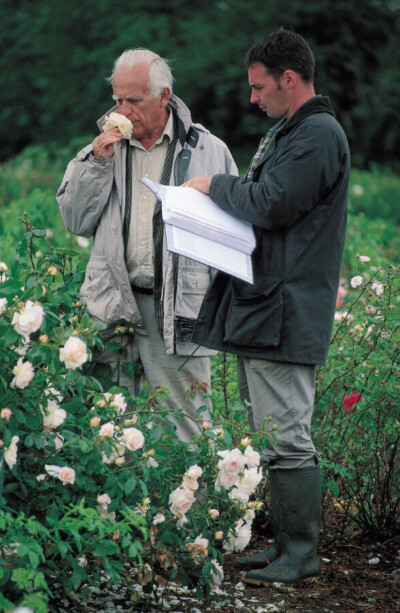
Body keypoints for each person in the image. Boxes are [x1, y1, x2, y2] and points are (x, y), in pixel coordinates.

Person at [182, 29, 350, 586]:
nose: (253, 99)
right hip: (268, 306)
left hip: (288, 309)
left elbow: (273, 203)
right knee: (272, 433)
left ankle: (301, 553)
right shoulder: (291, 131)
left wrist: (214, 187)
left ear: (289, 79)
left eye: (260, 88)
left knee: (288, 436)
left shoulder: (318, 135)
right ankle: (285, 547)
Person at [57, 49, 238, 442]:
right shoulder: (101, 150)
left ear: (163, 96)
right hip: (113, 304)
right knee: (109, 424)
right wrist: (96, 165)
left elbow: (232, 235)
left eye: (133, 100)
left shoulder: (209, 150)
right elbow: (75, 220)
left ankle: (196, 504)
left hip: (177, 307)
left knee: (185, 428)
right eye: (118, 100)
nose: (122, 110)